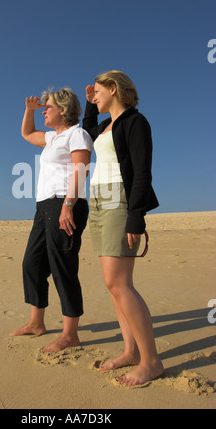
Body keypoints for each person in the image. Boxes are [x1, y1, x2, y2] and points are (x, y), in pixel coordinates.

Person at [83, 70, 164, 386]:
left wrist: (136, 218)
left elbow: (143, 172)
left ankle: (151, 361)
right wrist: (90, 104)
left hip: (120, 199)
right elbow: (86, 133)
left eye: (99, 91)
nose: (95, 95)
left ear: (113, 88)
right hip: (98, 202)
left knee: (120, 283)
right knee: (111, 282)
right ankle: (130, 350)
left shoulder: (135, 122)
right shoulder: (105, 126)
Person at [11, 87, 93, 353]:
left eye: (48, 107)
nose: (44, 110)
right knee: (32, 264)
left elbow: (81, 169)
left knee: (63, 268)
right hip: (44, 206)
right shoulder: (51, 138)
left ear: (63, 109)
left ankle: (70, 335)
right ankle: (37, 323)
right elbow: (26, 134)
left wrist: (68, 205)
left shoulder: (76, 133)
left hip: (66, 203)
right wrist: (29, 110)